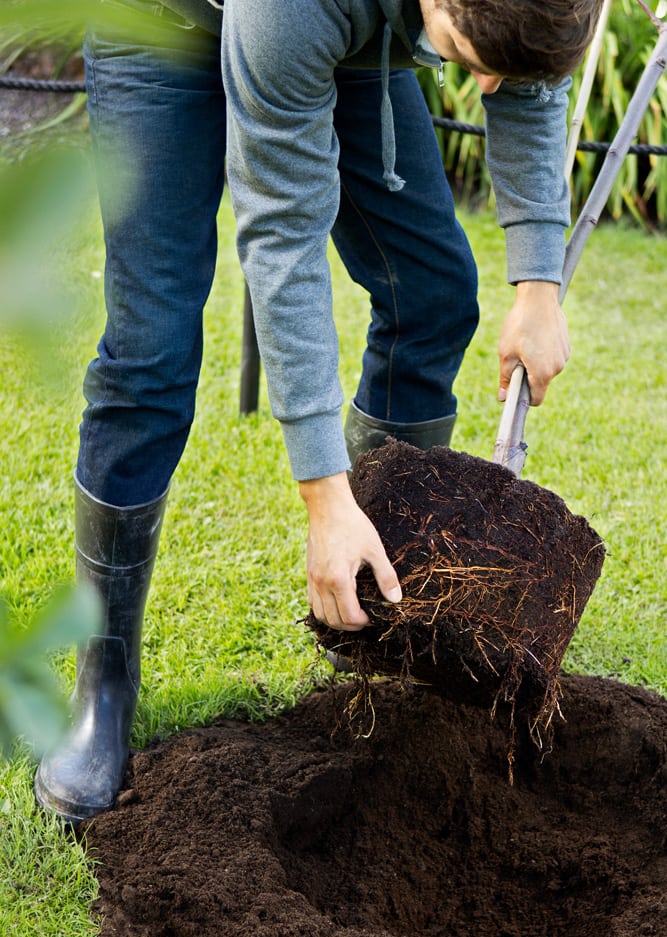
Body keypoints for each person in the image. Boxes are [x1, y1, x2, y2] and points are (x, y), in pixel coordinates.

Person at [35, 0, 603, 824]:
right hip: (164, 31)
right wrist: (325, 501)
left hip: (346, 40)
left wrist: (538, 287)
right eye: (466, 57)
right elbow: (283, 233)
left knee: (431, 298)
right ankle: (105, 683)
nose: (481, 85)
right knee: (151, 357)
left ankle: (379, 624)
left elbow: (525, 78)